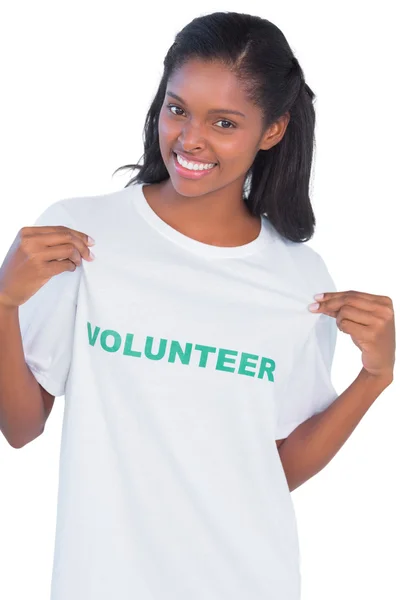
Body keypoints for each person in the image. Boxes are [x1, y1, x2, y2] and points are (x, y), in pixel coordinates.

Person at [0, 10, 352, 600]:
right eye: (177, 108)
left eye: (225, 122)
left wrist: (375, 376)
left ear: (273, 130)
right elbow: (21, 427)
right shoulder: (83, 234)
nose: (190, 138)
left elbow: (272, 470)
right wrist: (3, 303)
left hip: (249, 581)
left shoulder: (299, 278)